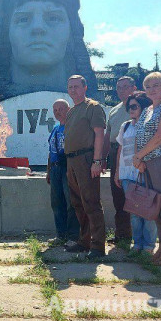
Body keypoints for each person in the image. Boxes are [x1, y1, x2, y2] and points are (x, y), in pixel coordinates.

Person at [132, 72, 161, 266]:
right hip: (147, 162)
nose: (152, 89)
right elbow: (139, 134)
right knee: (156, 205)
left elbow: (160, 137)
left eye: (156, 85)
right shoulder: (147, 110)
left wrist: (139, 155)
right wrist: (139, 159)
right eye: (148, 86)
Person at [63, 75, 108, 259]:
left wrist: (97, 162)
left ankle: (98, 246)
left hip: (86, 159)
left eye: (76, 86)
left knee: (91, 202)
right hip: (72, 161)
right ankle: (85, 241)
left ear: (85, 87)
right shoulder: (72, 111)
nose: (73, 90)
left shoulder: (93, 107)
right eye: (70, 86)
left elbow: (99, 135)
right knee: (77, 203)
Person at [114, 92, 156, 253]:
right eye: (129, 106)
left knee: (148, 211)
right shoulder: (125, 126)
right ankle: (137, 243)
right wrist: (117, 171)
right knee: (134, 211)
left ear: (143, 107)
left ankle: (149, 245)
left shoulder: (149, 125)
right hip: (127, 174)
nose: (130, 109)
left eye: (134, 106)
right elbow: (120, 149)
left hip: (144, 173)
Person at [103, 76, 136, 244]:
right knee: (118, 195)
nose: (121, 90)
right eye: (119, 87)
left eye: (125, 87)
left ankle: (139, 237)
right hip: (115, 153)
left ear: (133, 88)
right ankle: (122, 234)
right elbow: (108, 135)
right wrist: (102, 158)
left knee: (135, 195)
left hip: (133, 153)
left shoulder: (141, 106)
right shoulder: (114, 111)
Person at [46, 99, 79, 244]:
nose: (58, 112)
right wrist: (48, 171)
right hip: (55, 169)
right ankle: (61, 234)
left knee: (71, 202)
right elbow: (50, 151)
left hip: (68, 167)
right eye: (55, 110)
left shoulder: (73, 127)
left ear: (69, 109)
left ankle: (73, 236)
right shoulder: (55, 129)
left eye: (61, 109)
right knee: (57, 202)